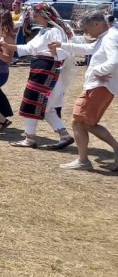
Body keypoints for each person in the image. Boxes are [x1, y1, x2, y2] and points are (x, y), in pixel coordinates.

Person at [0, 3, 76, 149]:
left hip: (46, 69)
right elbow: (30, 48)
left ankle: (30, 138)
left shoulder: (55, 31)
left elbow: (64, 51)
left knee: (32, 102)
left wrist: (55, 51)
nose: (33, 16)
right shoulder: (43, 31)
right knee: (46, 107)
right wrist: (9, 47)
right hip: (40, 67)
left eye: (36, 13)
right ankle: (64, 136)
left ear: (45, 14)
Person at [48, 13, 118, 171]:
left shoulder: (110, 37)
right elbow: (89, 48)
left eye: (87, 29)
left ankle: (83, 160)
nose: (87, 34)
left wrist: (98, 71)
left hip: (98, 87)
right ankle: (86, 158)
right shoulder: (106, 36)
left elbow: (114, 60)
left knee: (79, 122)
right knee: (85, 123)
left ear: (97, 24)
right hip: (99, 87)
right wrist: (62, 45)